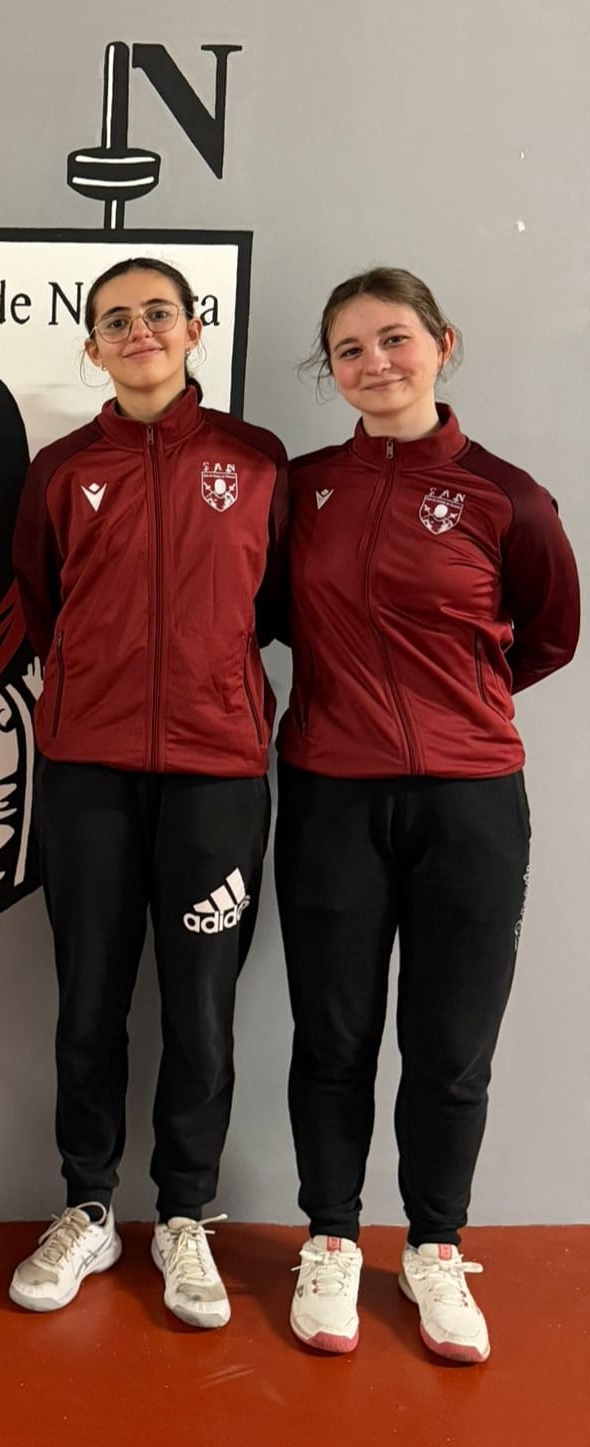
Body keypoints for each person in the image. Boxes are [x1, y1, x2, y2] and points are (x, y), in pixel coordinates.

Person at [277, 267, 578, 1363]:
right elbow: (268, 615)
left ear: (442, 344)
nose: (374, 365)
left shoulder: (510, 497)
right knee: (335, 1037)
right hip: (330, 799)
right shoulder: (300, 490)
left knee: (451, 1048)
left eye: (394, 340)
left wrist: (457, 717)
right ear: (333, 371)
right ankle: (332, 1239)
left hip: (472, 807)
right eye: (349, 350)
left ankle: (437, 1248)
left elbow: (547, 636)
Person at [10, 257, 288, 1328]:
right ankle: (87, 1206)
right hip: (87, 768)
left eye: (156, 315)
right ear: (91, 347)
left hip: (218, 770)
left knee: (201, 1008)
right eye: (115, 321)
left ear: (194, 328)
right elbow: (39, 600)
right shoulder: (60, 469)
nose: (138, 333)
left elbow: (269, 604)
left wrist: (206, 677)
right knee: (87, 1002)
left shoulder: (256, 463)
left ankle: (185, 1217)